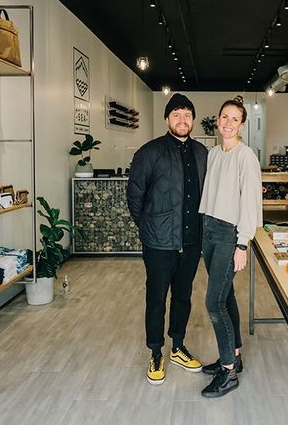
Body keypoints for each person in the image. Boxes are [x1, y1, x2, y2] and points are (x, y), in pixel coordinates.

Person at [127, 93, 208, 385]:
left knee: (183, 297)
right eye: (176, 115)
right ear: (167, 120)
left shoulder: (202, 153)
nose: (182, 120)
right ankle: (156, 351)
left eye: (187, 115)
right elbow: (134, 196)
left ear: (193, 120)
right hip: (159, 243)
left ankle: (177, 346)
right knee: (157, 298)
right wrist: (150, 226)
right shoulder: (150, 152)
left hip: (191, 241)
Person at [198, 95, 262, 398]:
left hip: (229, 234)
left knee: (214, 302)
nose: (228, 123)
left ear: (242, 125)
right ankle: (234, 354)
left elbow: (250, 202)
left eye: (235, 119)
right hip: (208, 229)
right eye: (224, 117)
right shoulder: (213, 154)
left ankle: (228, 372)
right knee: (227, 296)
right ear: (218, 119)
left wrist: (242, 243)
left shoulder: (245, 156)